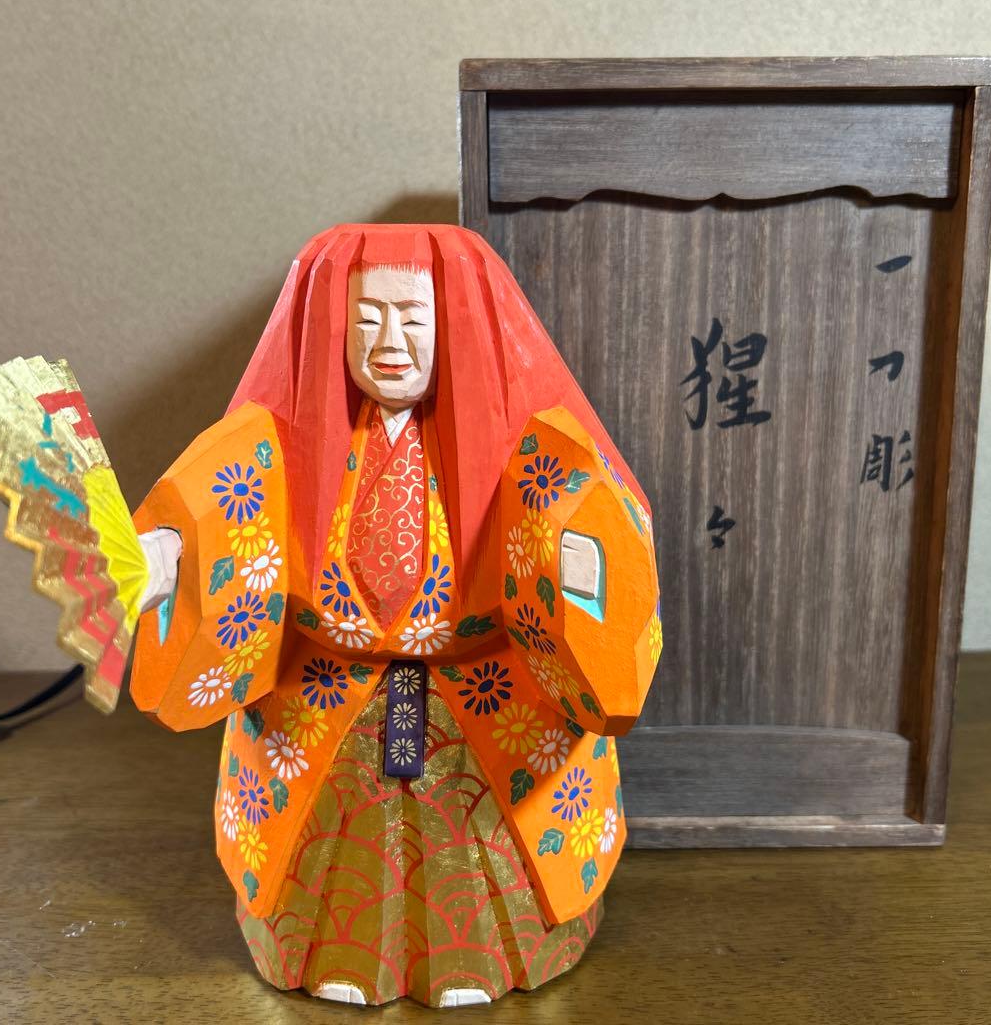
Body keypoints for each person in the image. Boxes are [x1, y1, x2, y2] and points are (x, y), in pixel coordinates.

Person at [131, 223, 661, 1007]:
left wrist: (578, 561)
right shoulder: (289, 440)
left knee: (481, 854)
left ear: (455, 327)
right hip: (325, 699)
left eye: (413, 318)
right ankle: (329, 958)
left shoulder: (517, 442)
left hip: (482, 701)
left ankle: (486, 959)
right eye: (367, 318)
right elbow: (222, 500)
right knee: (331, 851)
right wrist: (166, 553)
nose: (389, 342)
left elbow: (577, 505)